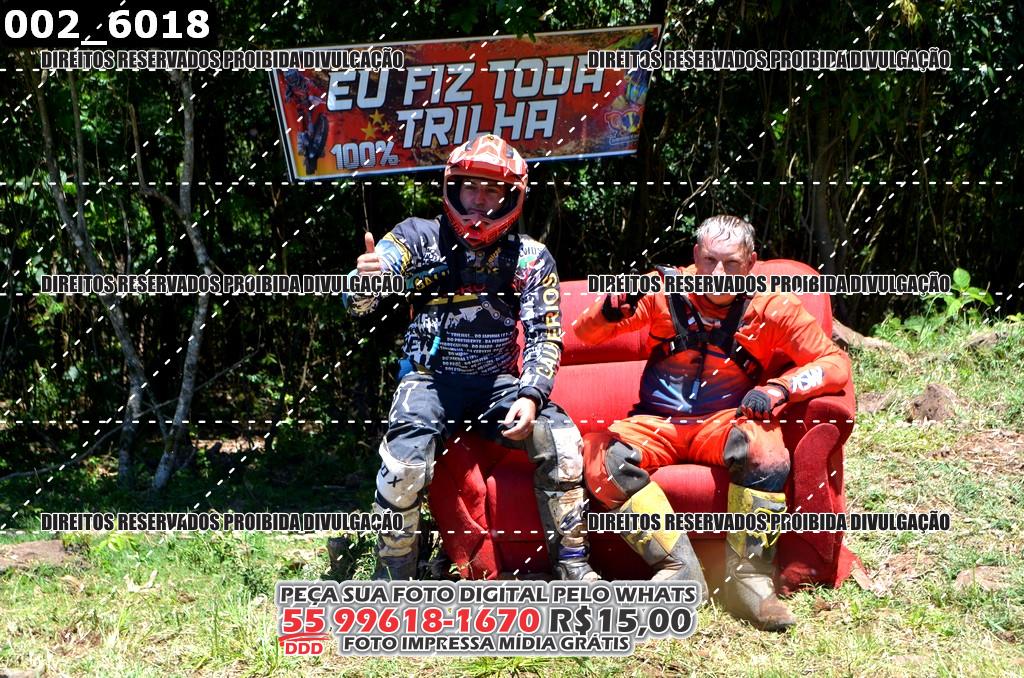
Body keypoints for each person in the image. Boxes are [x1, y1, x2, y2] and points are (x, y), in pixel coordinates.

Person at [574, 215, 851, 630]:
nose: (717, 274)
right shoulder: (661, 289)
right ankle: (679, 570)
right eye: (709, 261)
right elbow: (585, 335)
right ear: (695, 256)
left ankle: (751, 580)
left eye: (732, 264)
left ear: (751, 262)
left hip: (723, 421)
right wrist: (610, 308)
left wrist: (779, 389)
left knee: (766, 449)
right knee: (598, 456)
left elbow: (834, 363)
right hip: (655, 422)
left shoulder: (773, 305)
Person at [342, 134, 598, 582]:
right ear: (452, 188)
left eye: (492, 190)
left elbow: (544, 335)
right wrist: (366, 279)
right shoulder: (416, 236)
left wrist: (532, 395)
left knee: (562, 443)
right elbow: (358, 302)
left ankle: (574, 567)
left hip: (498, 383)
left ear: (511, 196)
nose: (479, 200)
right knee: (402, 466)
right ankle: (393, 575)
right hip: (428, 379)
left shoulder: (531, 257)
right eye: (470, 187)